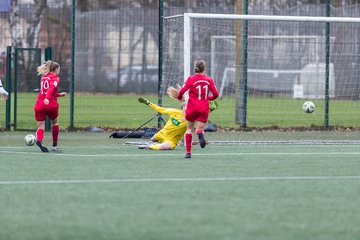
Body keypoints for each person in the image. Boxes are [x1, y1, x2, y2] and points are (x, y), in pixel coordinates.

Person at [177, 59, 219, 158]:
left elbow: (182, 90)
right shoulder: (209, 80)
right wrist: (208, 98)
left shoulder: (190, 79)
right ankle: (200, 134)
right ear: (204, 68)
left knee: (189, 129)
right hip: (203, 107)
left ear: (195, 68)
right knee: (199, 128)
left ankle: (188, 152)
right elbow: (216, 94)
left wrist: (179, 97)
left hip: (192, 107)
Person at [34, 60, 67, 152]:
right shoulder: (55, 78)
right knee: (55, 123)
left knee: (41, 127)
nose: (59, 71)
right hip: (51, 105)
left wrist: (59, 94)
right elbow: (51, 88)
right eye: (59, 69)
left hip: (39, 105)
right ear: (56, 69)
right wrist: (47, 99)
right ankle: (54, 145)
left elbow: (48, 91)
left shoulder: (43, 77)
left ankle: (39, 140)